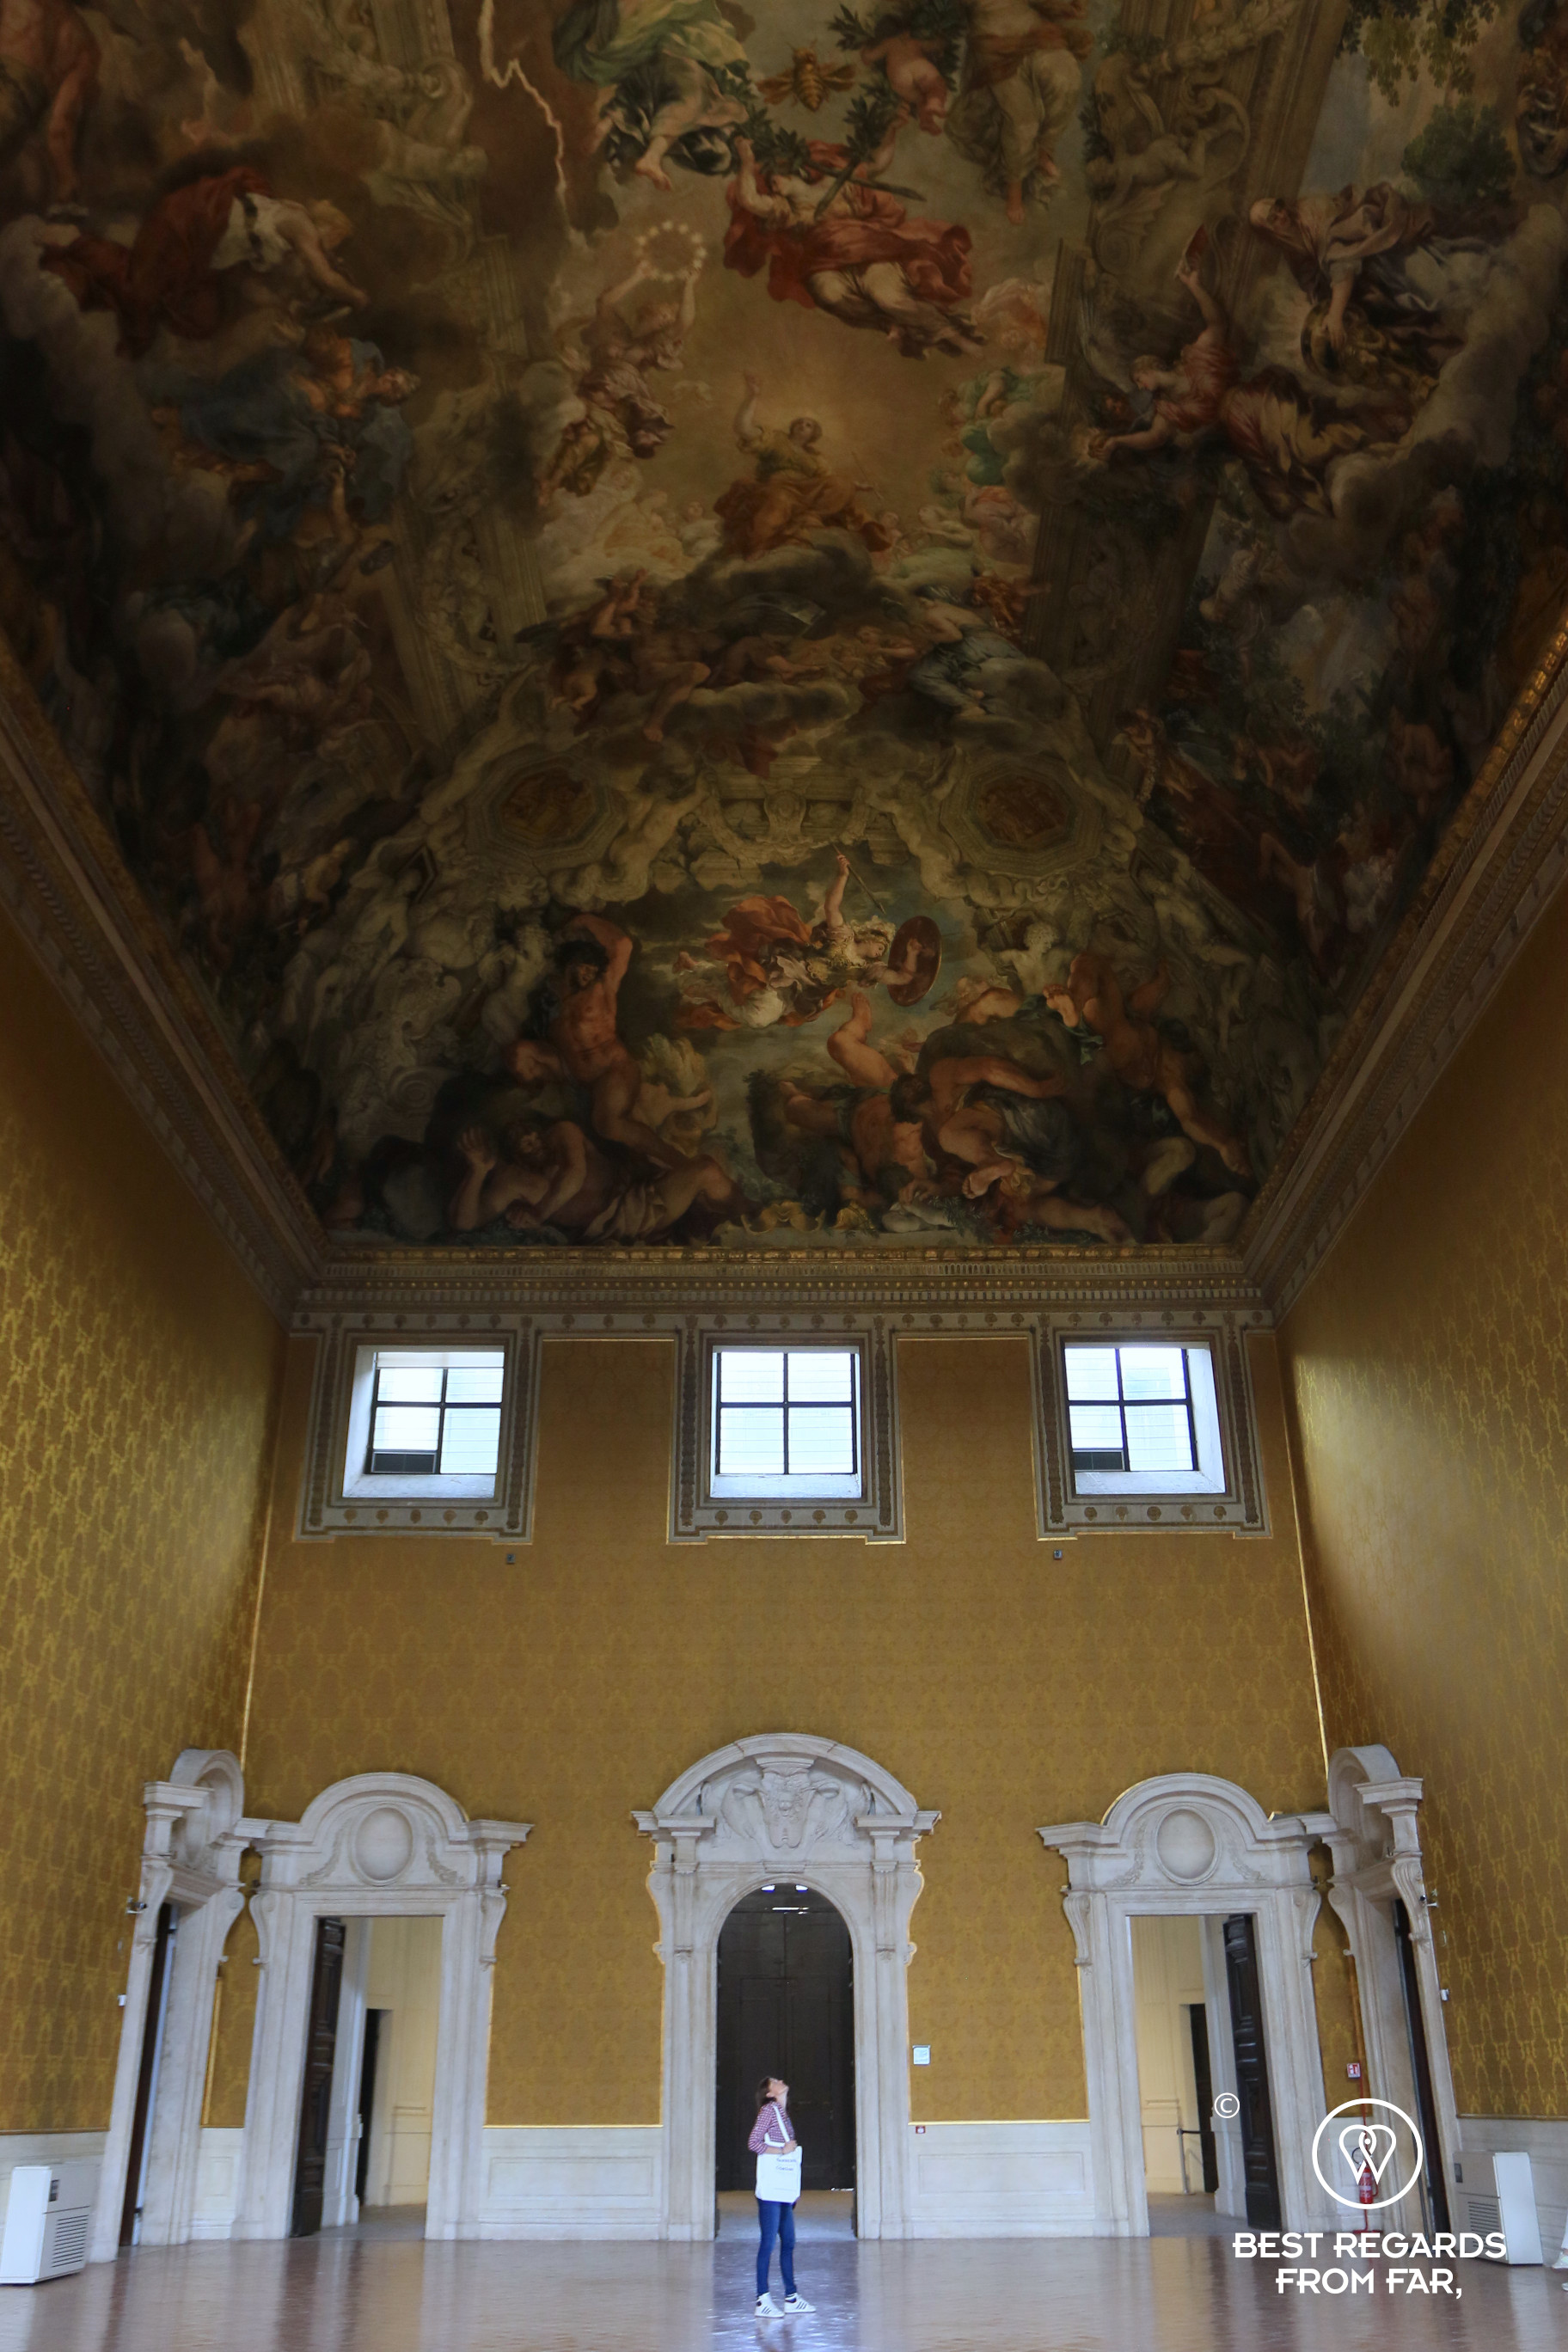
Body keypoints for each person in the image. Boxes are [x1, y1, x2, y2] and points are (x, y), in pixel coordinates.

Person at [748, 2075, 813, 2318]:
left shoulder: (782, 2113)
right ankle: (762, 2298)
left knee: (789, 2241)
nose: (781, 2081)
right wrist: (781, 2150)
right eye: (775, 2081)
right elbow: (754, 2142)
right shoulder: (768, 2110)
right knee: (769, 2242)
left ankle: (791, 2297)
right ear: (769, 2092)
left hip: (783, 2189)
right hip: (772, 2190)